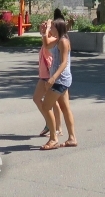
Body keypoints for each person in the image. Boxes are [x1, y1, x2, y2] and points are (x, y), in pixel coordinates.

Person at [40, 18, 77, 150]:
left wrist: (53, 78)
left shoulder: (63, 41)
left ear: (59, 28)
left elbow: (64, 63)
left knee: (45, 106)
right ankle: (72, 138)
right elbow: (46, 45)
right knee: (65, 108)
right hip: (61, 79)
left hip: (60, 80)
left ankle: (53, 138)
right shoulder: (58, 40)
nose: (52, 30)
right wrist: (44, 32)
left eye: (53, 28)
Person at [34, 13, 62, 138]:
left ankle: (57, 127)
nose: (47, 27)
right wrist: (43, 31)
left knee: (53, 102)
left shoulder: (56, 40)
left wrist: (47, 29)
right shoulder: (49, 38)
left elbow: (46, 43)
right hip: (44, 73)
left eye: (51, 26)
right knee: (37, 98)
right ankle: (49, 122)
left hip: (49, 73)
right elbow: (44, 40)